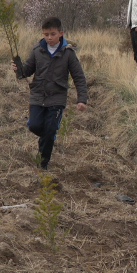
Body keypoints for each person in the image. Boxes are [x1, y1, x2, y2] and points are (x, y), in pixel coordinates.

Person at [12, 17, 88, 170]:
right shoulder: (37, 50)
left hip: (57, 98)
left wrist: (82, 99)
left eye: (52, 34)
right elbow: (26, 72)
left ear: (61, 33)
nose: (49, 38)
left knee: (50, 128)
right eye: (46, 34)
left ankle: (42, 165)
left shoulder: (69, 54)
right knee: (34, 126)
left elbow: (79, 77)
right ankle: (47, 137)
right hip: (37, 96)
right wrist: (18, 68)